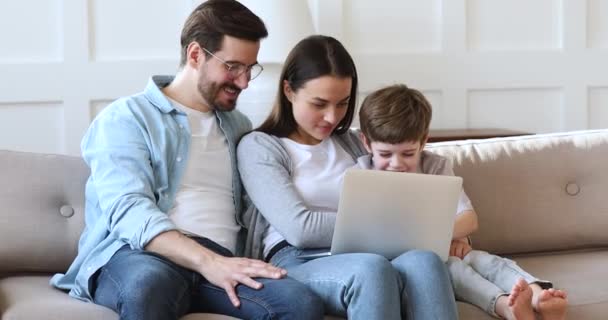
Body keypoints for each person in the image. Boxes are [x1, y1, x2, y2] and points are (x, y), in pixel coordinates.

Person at [50, 1, 324, 319]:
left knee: (300, 304)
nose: (244, 82)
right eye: (233, 66)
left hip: (223, 260)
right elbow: (130, 211)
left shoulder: (240, 127)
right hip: (141, 256)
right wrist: (208, 262)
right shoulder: (126, 118)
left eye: (250, 68)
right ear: (195, 55)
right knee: (147, 288)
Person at [237, 35, 458, 320]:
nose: (332, 117)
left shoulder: (353, 142)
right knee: (372, 269)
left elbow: (408, 186)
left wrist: (444, 228)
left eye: (342, 103)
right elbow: (300, 229)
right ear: (289, 90)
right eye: (319, 103)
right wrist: (395, 224)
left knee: (426, 261)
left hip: (372, 251)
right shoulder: (260, 147)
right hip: (297, 259)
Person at [356, 84, 569, 320]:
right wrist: (435, 238)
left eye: (408, 153)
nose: (396, 164)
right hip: (410, 266)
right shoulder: (360, 175)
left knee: (484, 260)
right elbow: (363, 234)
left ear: (423, 141)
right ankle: (506, 308)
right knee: (454, 269)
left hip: (447, 250)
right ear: (366, 143)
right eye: (385, 154)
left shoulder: (435, 166)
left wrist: (449, 236)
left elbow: (469, 219)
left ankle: (539, 296)